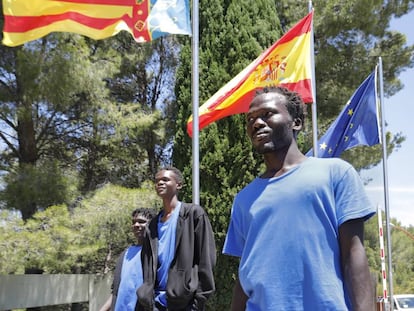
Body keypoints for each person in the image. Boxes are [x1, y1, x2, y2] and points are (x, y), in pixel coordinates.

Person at [223, 86, 376, 311]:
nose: (256, 123)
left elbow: (354, 254)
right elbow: (245, 275)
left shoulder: (336, 173)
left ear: (296, 122)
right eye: (250, 119)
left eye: (267, 114)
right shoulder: (244, 199)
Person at [137, 166, 216, 311]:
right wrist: (145, 295)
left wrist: (199, 300)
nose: (160, 183)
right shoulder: (152, 225)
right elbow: (147, 265)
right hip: (155, 303)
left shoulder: (193, 215)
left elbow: (206, 259)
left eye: (165, 180)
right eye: (157, 181)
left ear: (178, 184)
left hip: (185, 302)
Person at [99, 208, 156, 311]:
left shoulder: (155, 254)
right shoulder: (125, 255)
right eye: (134, 222)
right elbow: (116, 291)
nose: (136, 225)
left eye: (142, 222)